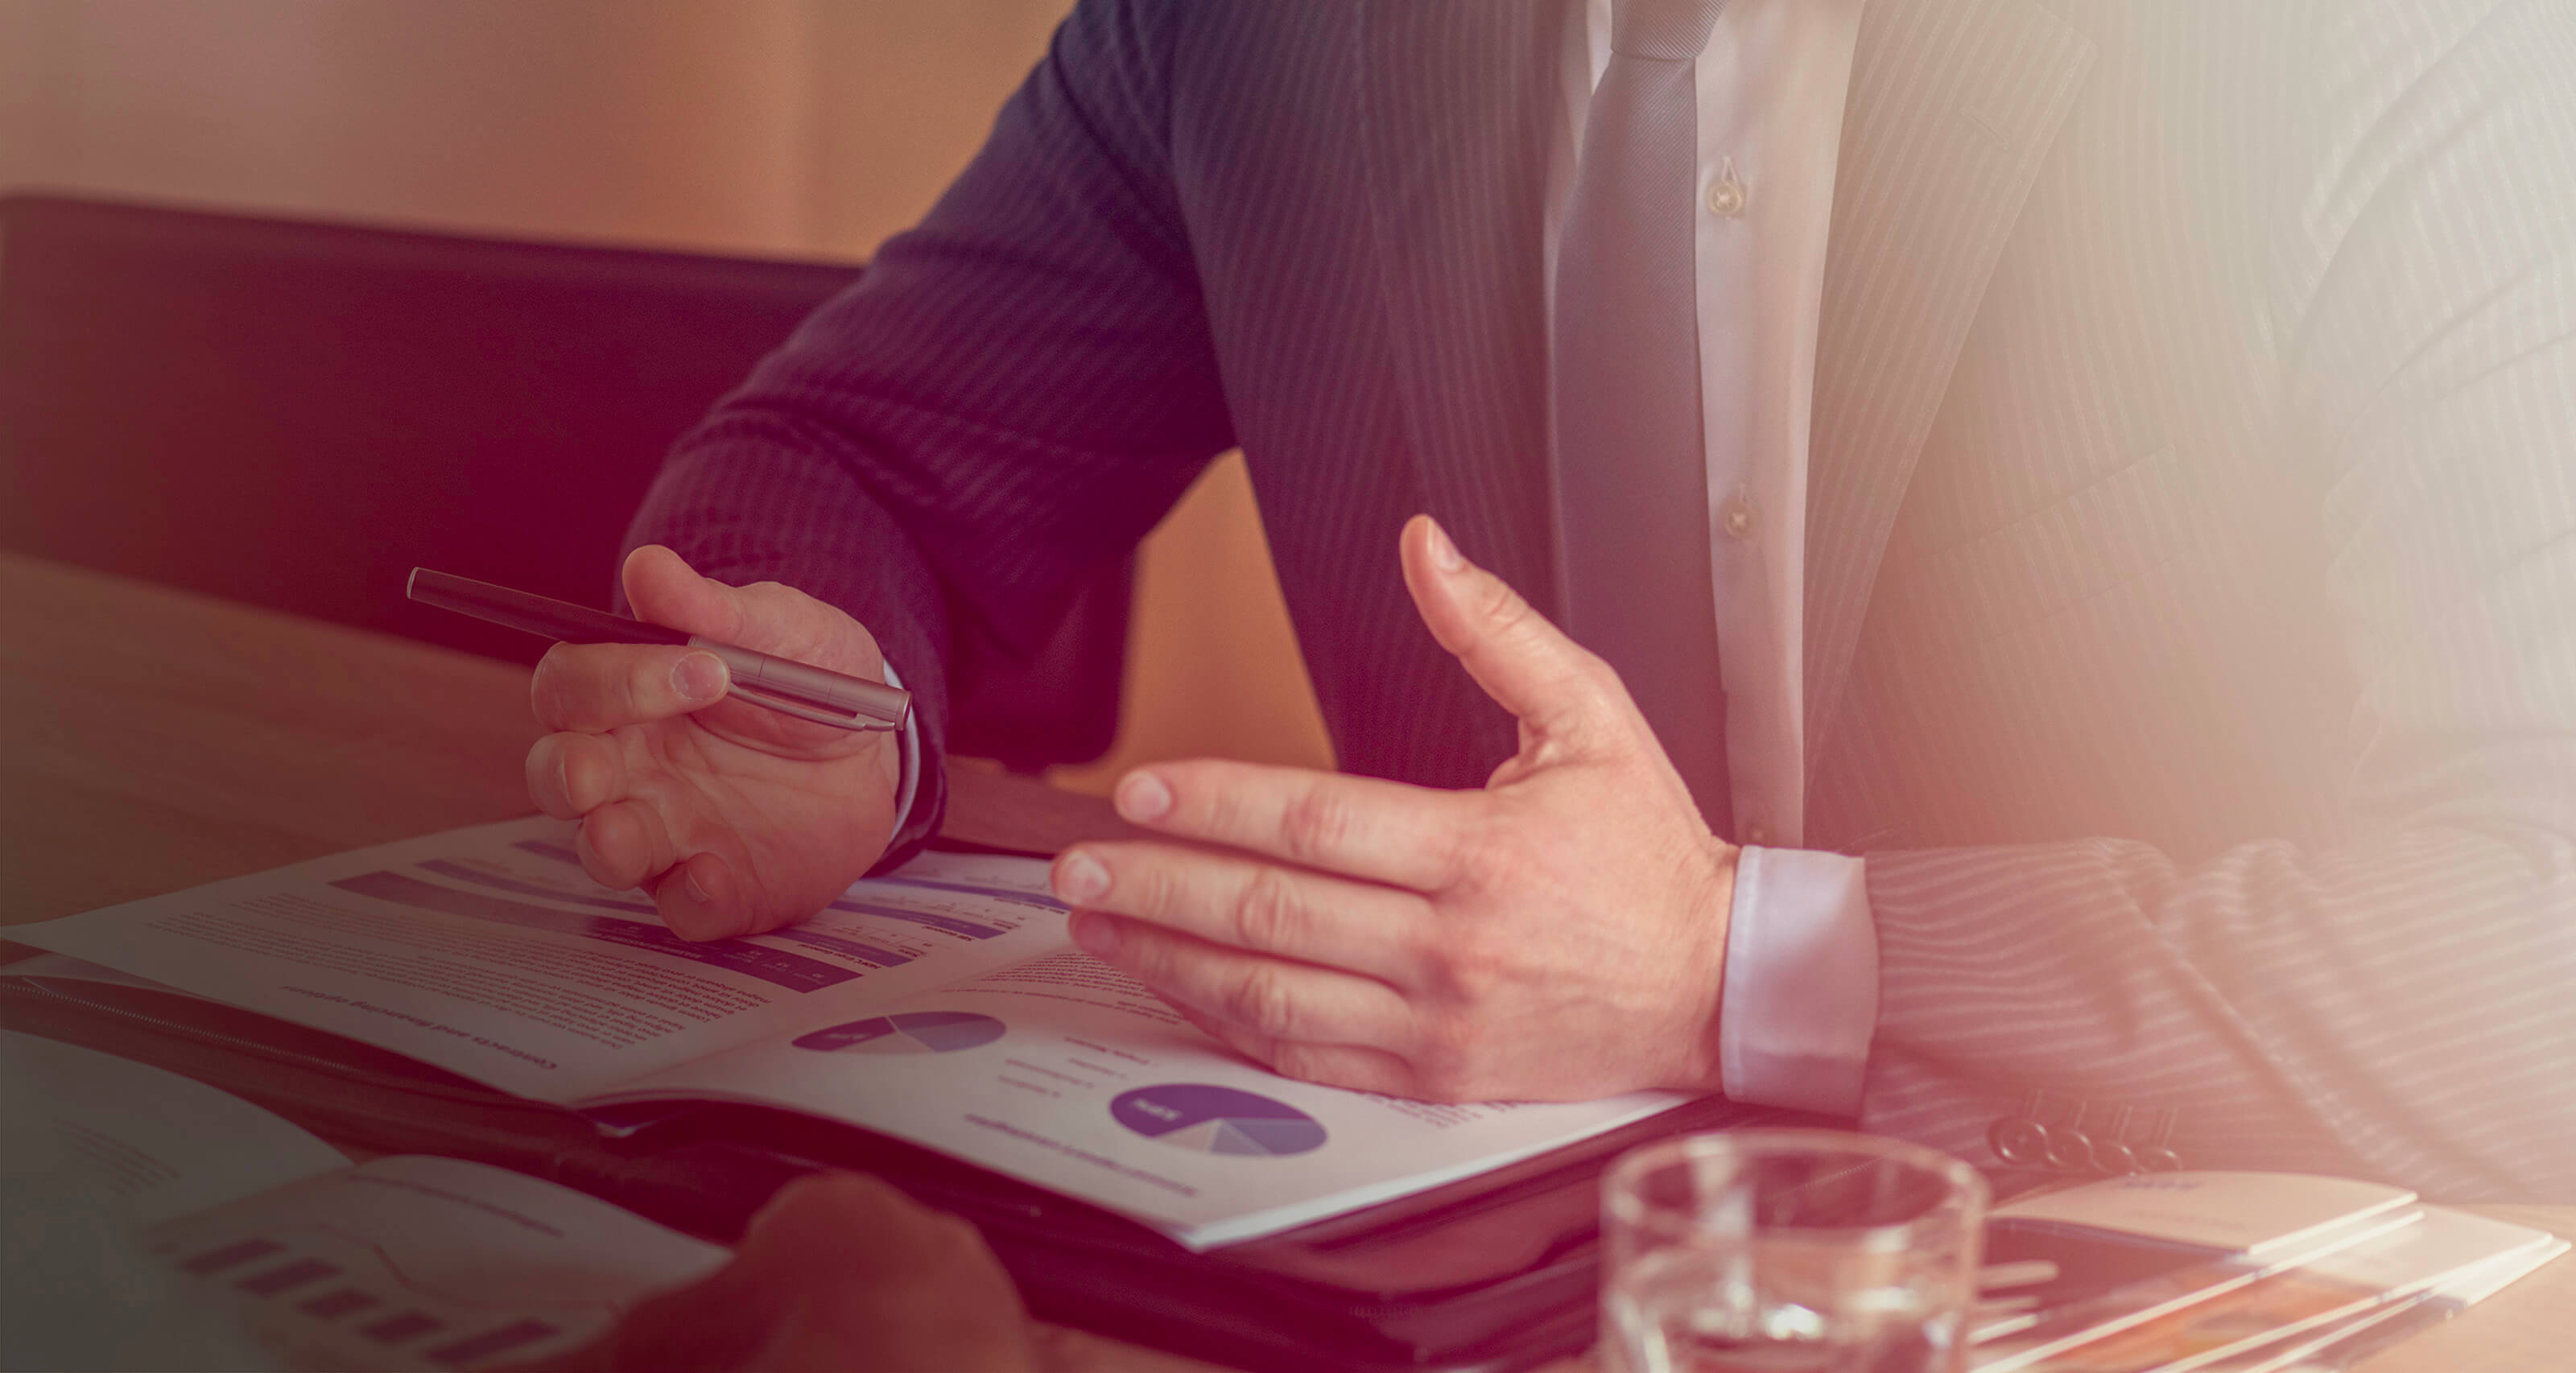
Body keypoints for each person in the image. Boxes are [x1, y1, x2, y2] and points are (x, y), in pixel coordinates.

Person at [523, 0, 2576, 1198]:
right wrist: (813, 698)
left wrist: (1734, 963)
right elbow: (850, 461)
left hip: (2161, 1247)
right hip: (1433, 1245)